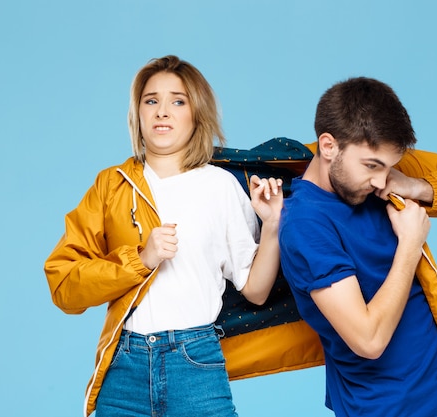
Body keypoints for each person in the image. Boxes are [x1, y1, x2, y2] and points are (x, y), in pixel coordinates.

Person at [44, 55, 283, 417]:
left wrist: (273, 227)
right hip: (124, 368)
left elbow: (255, 288)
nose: (162, 111)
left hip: (195, 361)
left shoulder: (219, 187)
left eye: (178, 101)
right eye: (151, 100)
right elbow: (65, 286)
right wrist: (141, 259)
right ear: (137, 113)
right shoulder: (112, 185)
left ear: (196, 114)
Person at [278, 76, 437, 417]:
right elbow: (368, 340)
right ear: (328, 146)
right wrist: (410, 245)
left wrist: (416, 186)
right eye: (372, 166)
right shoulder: (306, 225)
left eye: (390, 166)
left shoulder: (383, 169)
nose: (382, 180)